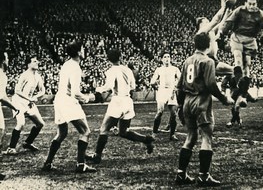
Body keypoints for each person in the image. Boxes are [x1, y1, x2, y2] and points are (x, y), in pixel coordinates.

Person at [175, 33, 234, 186]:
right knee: (206, 137)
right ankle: (204, 176)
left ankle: (181, 174)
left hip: (187, 100)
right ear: (208, 45)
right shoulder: (207, 61)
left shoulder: (187, 60)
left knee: (190, 137)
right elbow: (211, 85)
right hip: (201, 100)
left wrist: (181, 107)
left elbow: (179, 87)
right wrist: (224, 99)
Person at [85, 49, 155, 164]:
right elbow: (133, 86)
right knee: (123, 132)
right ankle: (146, 140)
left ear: (108, 59)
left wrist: (98, 89)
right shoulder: (127, 70)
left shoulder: (111, 70)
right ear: (120, 57)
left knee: (104, 129)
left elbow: (109, 86)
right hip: (128, 101)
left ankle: (97, 155)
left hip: (118, 101)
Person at [42, 41, 96, 173]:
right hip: (68, 101)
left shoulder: (66, 64)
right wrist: (88, 98)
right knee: (85, 132)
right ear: (78, 52)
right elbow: (75, 93)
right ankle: (80, 164)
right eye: (82, 48)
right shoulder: (76, 67)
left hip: (59, 100)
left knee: (62, 133)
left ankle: (47, 163)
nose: (84, 51)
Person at [4, 56, 46, 155]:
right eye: (34, 61)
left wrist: (35, 97)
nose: (37, 62)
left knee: (40, 124)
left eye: (37, 60)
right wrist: (29, 99)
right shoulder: (24, 75)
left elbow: (42, 90)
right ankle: (11, 148)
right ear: (29, 64)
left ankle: (28, 143)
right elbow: (17, 91)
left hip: (29, 102)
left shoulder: (37, 76)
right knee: (21, 123)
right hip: (18, 102)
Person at [195, 0, 234, 76]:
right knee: (233, 70)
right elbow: (215, 20)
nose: (208, 22)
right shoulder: (201, 32)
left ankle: (229, 85)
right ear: (200, 25)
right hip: (205, 59)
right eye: (206, 21)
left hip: (213, 59)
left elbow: (222, 23)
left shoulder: (210, 32)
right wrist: (223, 7)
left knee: (232, 71)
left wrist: (227, 12)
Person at [149, 50, 181, 141]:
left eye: (168, 57)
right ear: (162, 59)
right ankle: (154, 133)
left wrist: (176, 87)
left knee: (174, 114)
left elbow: (181, 79)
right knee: (160, 112)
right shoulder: (159, 69)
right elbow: (152, 82)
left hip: (171, 91)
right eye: (165, 57)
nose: (167, 59)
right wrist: (156, 87)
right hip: (162, 91)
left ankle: (172, 134)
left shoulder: (175, 69)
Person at [0, 51, 19, 180]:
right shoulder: (1, 74)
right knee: (0, 132)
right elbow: (1, 97)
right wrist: (15, 107)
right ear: (2, 61)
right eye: (7, 58)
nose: (8, 60)